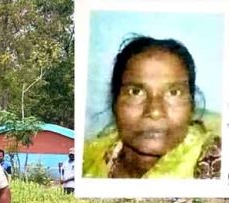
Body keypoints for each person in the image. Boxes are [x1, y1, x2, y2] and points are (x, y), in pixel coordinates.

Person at [84, 36, 221, 179]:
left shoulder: (213, 160)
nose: (155, 112)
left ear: (192, 105)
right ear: (115, 101)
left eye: (174, 93)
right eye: (135, 92)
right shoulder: (89, 157)